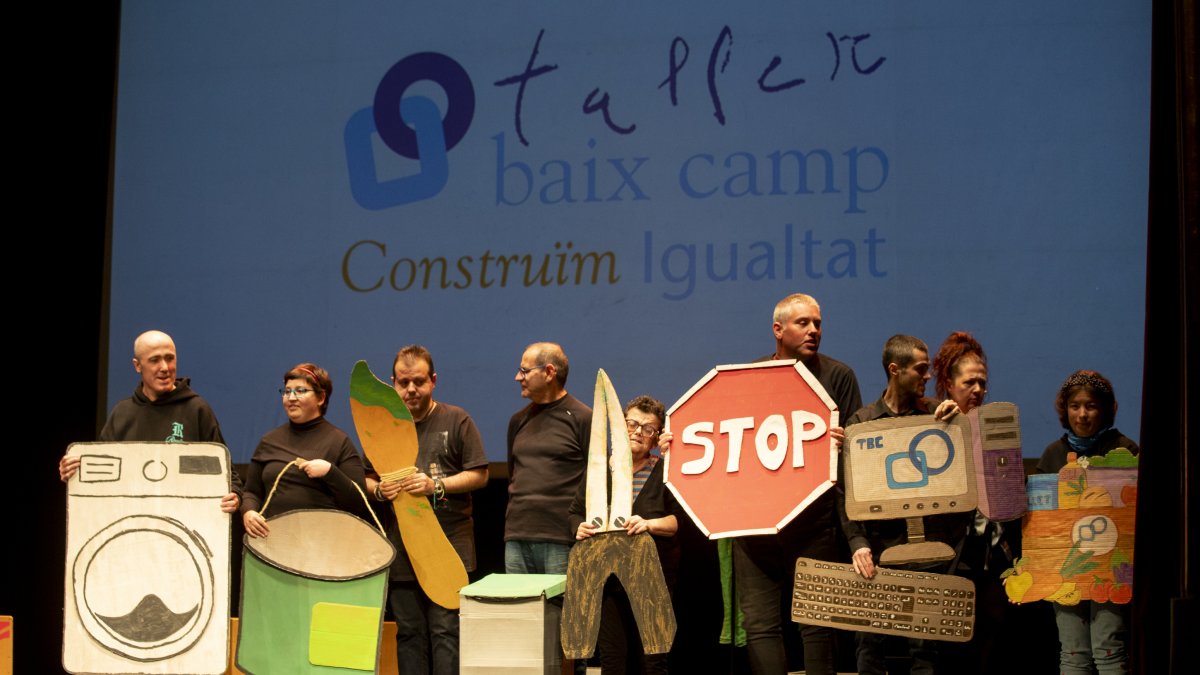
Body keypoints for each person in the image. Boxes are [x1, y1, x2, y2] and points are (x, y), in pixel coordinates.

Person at [733, 293, 862, 675]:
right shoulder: (749, 375)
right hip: (755, 523)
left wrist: (846, 444)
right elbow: (724, 438)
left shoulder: (839, 376)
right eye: (803, 323)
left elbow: (859, 450)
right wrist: (680, 443)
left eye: (817, 323)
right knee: (759, 624)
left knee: (818, 621)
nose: (813, 330)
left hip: (814, 520)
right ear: (778, 329)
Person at [842, 334, 966, 675]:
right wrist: (859, 543)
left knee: (925, 650)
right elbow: (846, 493)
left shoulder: (934, 417)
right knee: (869, 648)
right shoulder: (861, 424)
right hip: (880, 551)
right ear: (895, 370)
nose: (928, 377)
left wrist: (956, 422)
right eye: (921, 369)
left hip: (927, 552)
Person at [365, 346, 488, 675]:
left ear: (433, 381)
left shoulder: (456, 419)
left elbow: (480, 474)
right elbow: (367, 476)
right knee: (409, 633)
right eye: (403, 383)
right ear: (393, 383)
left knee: (445, 631)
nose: (410, 390)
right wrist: (378, 489)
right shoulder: (384, 425)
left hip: (448, 544)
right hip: (403, 546)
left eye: (418, 381)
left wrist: (437, 485)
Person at [58, 330, 240, 512]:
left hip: (185, 523)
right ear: (137, 366)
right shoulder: (122, 413)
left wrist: (234, 494)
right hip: (132, 523)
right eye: (154, 360)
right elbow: (100, 472)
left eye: (170, 358)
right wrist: (74, 472)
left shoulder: (197, 409)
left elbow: (228, 475)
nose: (165, 367)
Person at [569, 395, 679, 675]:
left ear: (656, 438)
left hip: (652, 581)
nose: (638, 432)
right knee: (613, 659)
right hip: (608, 582)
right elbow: (575, 512)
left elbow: (679, 522)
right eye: (631, 424)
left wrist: (649, 524)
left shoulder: (664, 472)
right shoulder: (599, 470)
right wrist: (578, 527)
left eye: (648, 428)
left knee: (652, 660)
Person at [1037, 370, 1137, 674]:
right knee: (1073, 652)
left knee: (1108, 649)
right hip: (1066, 570)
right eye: (1075, 406)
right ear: (1065, 410)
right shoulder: (1053, 455)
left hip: (1110, 570)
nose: (1082, 414)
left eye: (1091, 406)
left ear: (1106, 409)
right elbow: (1040, 522)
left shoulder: (1125, 451)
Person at [241, 363, 369, 538]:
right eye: (287, 391)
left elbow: (360, 503)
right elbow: (251, 492)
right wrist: (248, 512)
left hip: (322, 546)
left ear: (321, 397)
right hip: (272, 544)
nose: (291, 398)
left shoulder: (339, 442)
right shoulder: (269, 441)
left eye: (300, 391)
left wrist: (330, 473)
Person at [505, 342, 591, 574]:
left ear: (549, 372)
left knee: (561, 610)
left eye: (525, 371)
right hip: (517, 535)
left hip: (561, 538)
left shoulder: (582, 418)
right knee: (520, 608)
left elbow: (597, 477)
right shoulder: (518, 420)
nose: (517, 377)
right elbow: (513, 474)